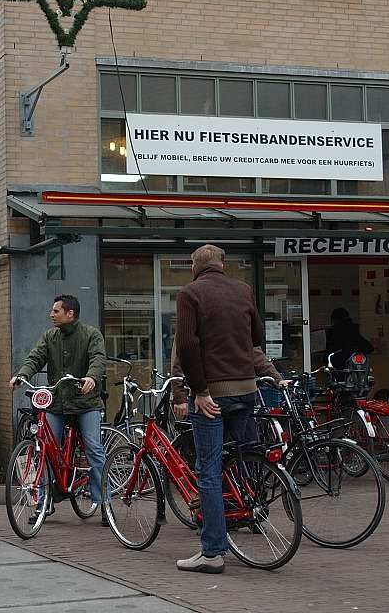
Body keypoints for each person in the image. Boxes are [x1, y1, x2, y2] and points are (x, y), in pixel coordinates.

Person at [173, 244, 286, 575]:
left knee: (208, 469)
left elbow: (187, 346)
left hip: (213, 394)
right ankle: (252, 509)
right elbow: (257, 336)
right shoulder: (243, 290)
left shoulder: (190, 294)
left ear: (195, 265)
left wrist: (198, 391)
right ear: (222, 265)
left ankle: (212, 552)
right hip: (247, 390)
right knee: (245, 456)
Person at [12, 294, 108, 526]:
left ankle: (105, 502)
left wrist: (92, 378)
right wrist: (22, 374)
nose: (51, 314)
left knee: (94, 448)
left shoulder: (91, 335)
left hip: (86, 403)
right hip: (58, 402)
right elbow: (36, 357)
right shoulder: (50, 336)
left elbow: (98, 359)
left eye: (56, 311)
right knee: (46, 447)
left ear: (70, 314)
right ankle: (45, 502)